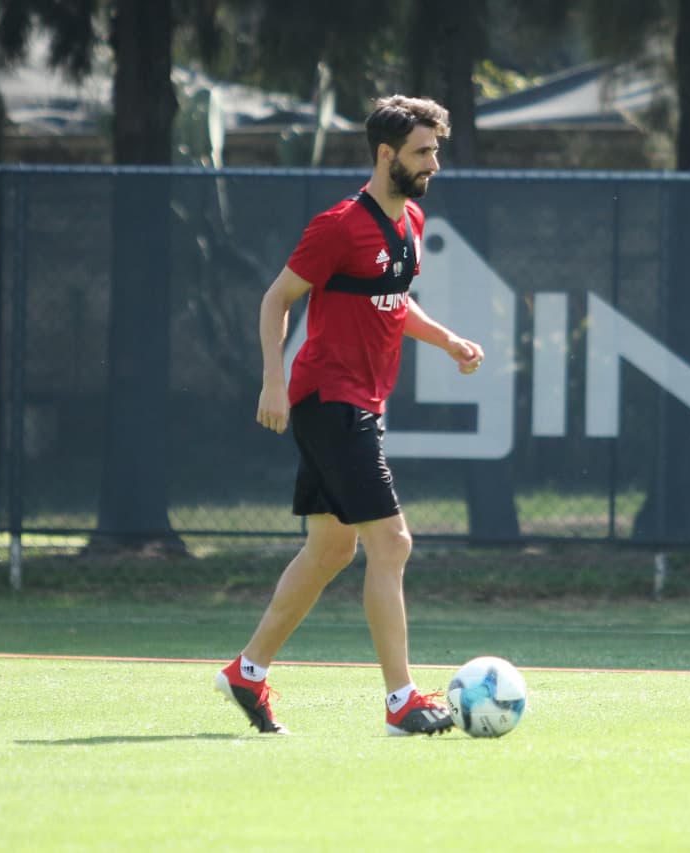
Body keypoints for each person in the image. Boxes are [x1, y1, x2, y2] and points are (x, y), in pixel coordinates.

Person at [215, 95, 484, 736]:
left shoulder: (410, 219)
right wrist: (273, 381)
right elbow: (277, 299)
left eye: (436, 150)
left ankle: (246, 673)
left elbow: (392, 300)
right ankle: (401, 701)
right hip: (330, 400)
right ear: (387, 154)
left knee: (331, 549)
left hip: (358, 401)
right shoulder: (338, 225)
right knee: (392, 543)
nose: (434, 163)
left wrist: (445, 339)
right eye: (423, 151)